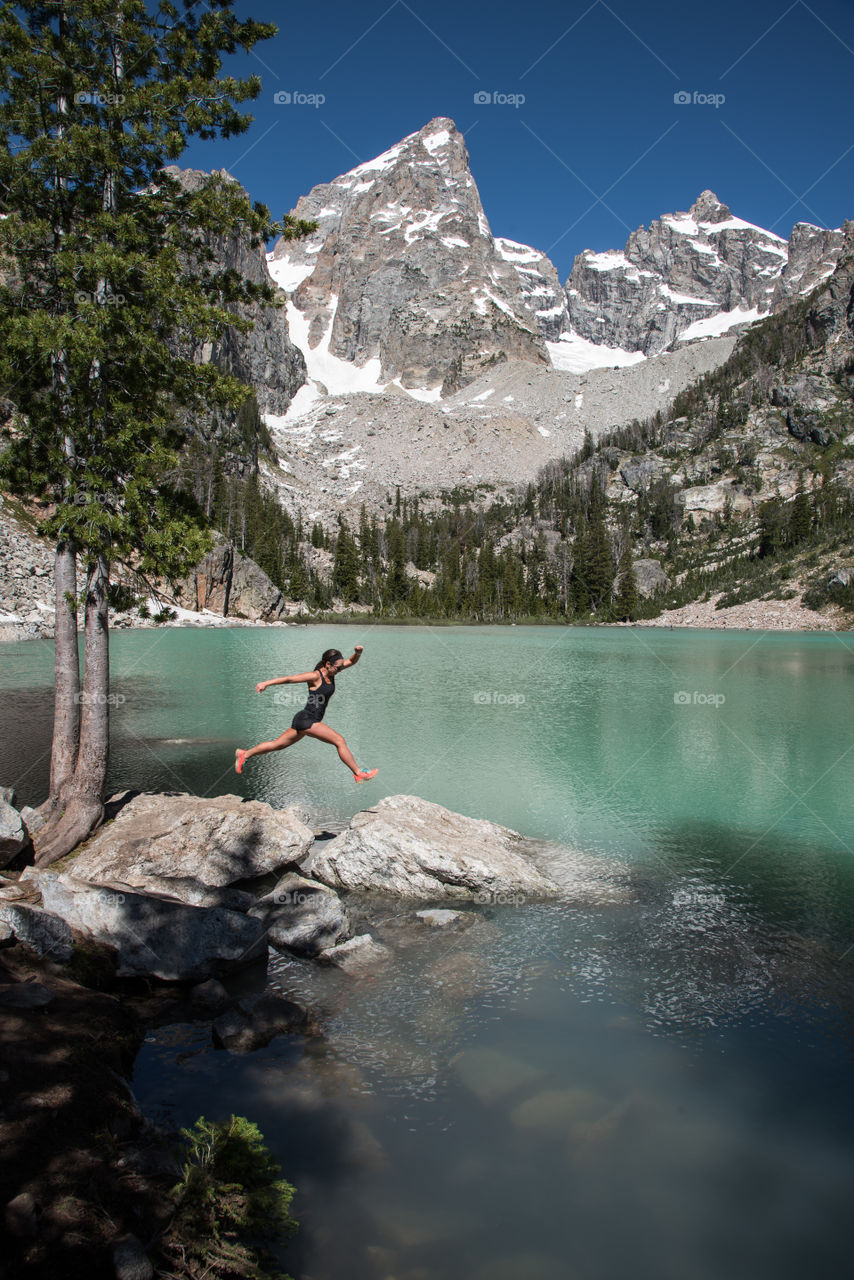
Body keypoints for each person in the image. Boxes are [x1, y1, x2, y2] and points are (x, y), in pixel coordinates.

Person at [235, 645, 378, 783]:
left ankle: (244, 754)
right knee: (339, 741)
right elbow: (289, 679)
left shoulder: (332, 671)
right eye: (338, 667)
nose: (340, 669)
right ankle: (358, 773)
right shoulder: (315, 676)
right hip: (308, 720)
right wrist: (265, 683)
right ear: (328, 664)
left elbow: (351, 661)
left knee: (277, 745)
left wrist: (358, 653)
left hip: (304, 719)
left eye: (341, 667)